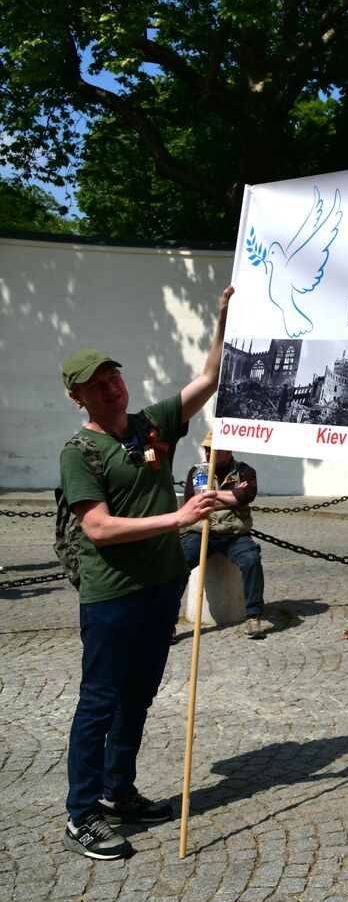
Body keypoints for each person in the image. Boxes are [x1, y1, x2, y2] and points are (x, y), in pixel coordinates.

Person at [57, 286, 232, 861]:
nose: (112, 386)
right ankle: (81, 814)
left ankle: (118, 791)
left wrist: (226, 319)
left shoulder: (148, 424)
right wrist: (179, 517)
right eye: (98, 383)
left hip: (160, 589)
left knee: (138, 696)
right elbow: (99, 529)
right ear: (78, 396)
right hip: (112, 597)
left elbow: (207, 381)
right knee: (100, 700)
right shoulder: (79, 452)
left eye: (114, 376)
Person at [180, 431, 266, 639]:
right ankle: (167, 620)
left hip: (234, 533)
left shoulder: (245, 472)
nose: (208, 454)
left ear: (228, 450)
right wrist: (231, 496)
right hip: (201, 532)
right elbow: (193, 503)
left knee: (251, 560)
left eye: (213, 450)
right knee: (177, 563)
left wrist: (209, 496)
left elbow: (246, 495)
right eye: (206, 450)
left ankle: (253, 616)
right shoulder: (197, 471)